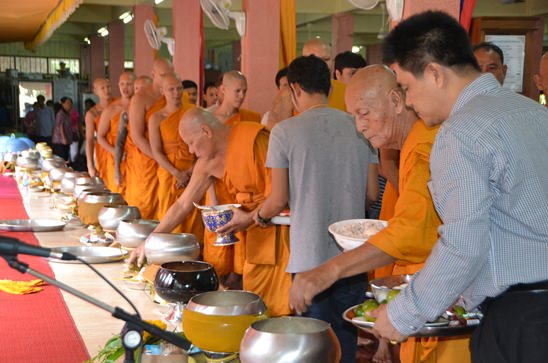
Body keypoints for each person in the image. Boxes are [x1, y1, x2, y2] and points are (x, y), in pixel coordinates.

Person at [370, 11, 548, 363]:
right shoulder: (532, 113)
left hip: (519, 321)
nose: (407, 102)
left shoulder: (460, 132)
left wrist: (403, 314)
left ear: (434, 73)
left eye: (406, 87)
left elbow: (464, 243)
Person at [289, 64, 471, 363]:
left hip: (448, 293)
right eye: (354, 117)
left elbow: (414, 231)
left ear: (397, 102)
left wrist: (329, 271)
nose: (360, 126)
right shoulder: (413, 143)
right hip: (430, 290)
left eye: (364, 113)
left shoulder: (426, 144)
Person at [254, 55, 378, 363]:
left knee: (312, 347)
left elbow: (278, 200)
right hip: (353, 258)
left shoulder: (284, 132)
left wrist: (257, 216)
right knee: (345, 345)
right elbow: (371, 194)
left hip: (310, 260)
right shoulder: (359, 126)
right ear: (328, 87)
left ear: (295, 89)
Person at [129, 108, 292, 317]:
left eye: (191, 143)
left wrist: (251, 217)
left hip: (279, 229)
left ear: (206, 131)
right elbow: (183, 204)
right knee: (256, 300)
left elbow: (281, 195)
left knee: (277, 304)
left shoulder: (253, 139)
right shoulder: (207, 163)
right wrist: (150, 240)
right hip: (256, 235)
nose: (190, 151)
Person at [148, 74, 203, 241]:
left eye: (179, 88)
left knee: (193, 216)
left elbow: (202, 146)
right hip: (168, 174)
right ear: (162, 91)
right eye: (171, 89)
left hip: (194, 171)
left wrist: (190, 171)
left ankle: (193, 252)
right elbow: (156, 151)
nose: (176, 93)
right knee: (169, 212)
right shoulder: (156, 118)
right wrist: (177, 173)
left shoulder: (195, 112)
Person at [125, 59, 173, 219]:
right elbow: (137, 137)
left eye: (170, 74)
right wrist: (159, 158)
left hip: (171, 160)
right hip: (147, 161)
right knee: (144, 209)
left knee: (167, 207)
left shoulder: (173, 95)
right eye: (163, 75)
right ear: (153, 75)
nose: (167, 78)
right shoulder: (140, 98)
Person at [96, 71, 135, 193]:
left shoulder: (140, 106)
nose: (125, 87)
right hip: (115, 157)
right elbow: (100, 137)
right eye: (122, 84)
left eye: (129, 84)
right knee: (117, 193)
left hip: (135, 157)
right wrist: (114, 151)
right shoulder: (111, 109)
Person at [85, 78, 113, 177]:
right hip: (104, 151)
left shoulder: (120, 105)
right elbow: (89, 140)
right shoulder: (92, 113)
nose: (107, 90)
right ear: (95, 91)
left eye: (108, 87)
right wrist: (90, 165)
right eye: (103, 88)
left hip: (123, 150)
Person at [52, 97, 73, 161]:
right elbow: (60, 126)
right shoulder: (60, 114)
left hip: (66, 140)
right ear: (63, 104)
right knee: (61, 158)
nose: (70, 104)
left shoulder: (67, 114)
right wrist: (64, 138)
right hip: (60, 141)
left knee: (66, 157)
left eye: (70, 103)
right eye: (67, 103)